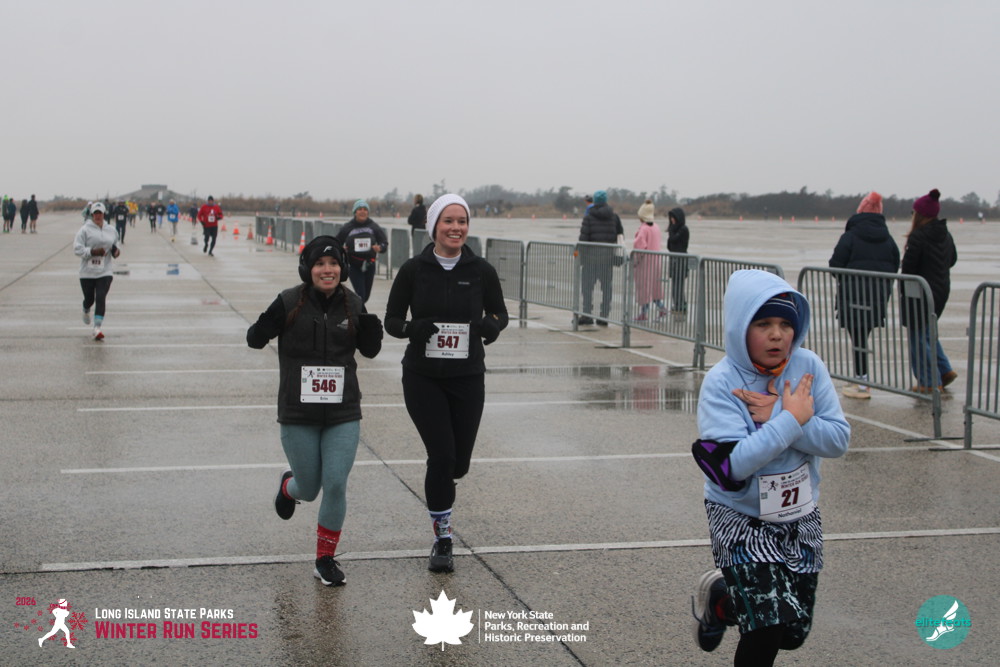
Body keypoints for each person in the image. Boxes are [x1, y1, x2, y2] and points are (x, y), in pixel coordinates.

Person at [690, 269, 850, 666]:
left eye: (785, 325)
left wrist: (780, 413)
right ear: (740, 327)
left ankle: (724, 600)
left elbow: (837, 440)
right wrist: (791, 419)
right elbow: (734, 465)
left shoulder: (808, 366)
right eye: (763, 325)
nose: (777, 335)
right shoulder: (722, 382)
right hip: (740, 516)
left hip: (799, 515)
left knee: (792, 633)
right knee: (767, 628)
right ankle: (742, 596)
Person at [246, 236, 383, 586]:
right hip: (298, 413)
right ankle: (288, 487)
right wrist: (262, 328)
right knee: (309, 489)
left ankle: (325, 559)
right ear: (307, 268)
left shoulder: (353, 303)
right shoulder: (289, 301)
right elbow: (254, 339)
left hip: (342, 412)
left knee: (335, 483)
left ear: (343, 268)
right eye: (320, 264)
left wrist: (373, 334)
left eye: (334, 263)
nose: (327, 270)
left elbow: (369, 351)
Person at [384, 193, 508, 573]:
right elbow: (392, 321)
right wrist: (412, 329)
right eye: (448, 221)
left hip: (467, 377)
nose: (456, 228)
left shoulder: (481, 270)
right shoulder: (413, 270)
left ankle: (445, 487)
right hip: (423, 378)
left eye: (462, 221)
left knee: (458, 464)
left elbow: (500, 313)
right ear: (434, 226)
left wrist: (492, 327)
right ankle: (443, 539)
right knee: (441, 457)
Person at [828, 191, 900, 399]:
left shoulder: (850, 236)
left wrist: (847, 280)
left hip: (852, 296)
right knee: (861, 337)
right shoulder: (887, 238)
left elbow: (835, 264)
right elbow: (895, 262)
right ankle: (861, 377)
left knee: (858, 338)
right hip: (877, 296)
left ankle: (862, 380)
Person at [900, 188, 958, 393]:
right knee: (928, 332)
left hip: (920, 291)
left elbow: (909, 267)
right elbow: (953, 259)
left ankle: (929, 381)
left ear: (918, 215)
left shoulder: (919, 236)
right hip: (941, 289)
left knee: (918, 336)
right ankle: (944, 370)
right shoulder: (945, 234)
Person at [73, 202, 121, 341]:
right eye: (95, 213)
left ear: (104, 214)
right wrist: (93, 252)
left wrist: (116, 252)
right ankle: (86, 308)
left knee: (101, 297)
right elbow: (77, 249)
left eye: (100, 213)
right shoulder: (84, 230)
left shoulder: (111, 230)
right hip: (87, 272)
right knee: (90, 299)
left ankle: (97, 328)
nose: (98, 216)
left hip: (105, 271)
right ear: (92, 214)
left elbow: (116, 246)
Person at [577, 190, 623, 326]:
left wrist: (579, 257)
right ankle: (604, 316)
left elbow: (583, 240)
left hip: (590, 260)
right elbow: (620, 236)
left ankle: (587, 314)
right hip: (607, 259)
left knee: (587, 289)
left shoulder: (588, 217)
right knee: (606, 289)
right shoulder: (614, 217)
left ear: (595, 202)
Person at [334, 199, 389, 304]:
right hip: (353, 265)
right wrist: (341, 250)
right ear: (355, 212)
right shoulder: (348, 227)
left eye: (365, 209)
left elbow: (384, 243)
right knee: (361, 295)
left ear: (368, 212)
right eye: (359, 209)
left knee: (365, 296)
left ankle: (353, 308)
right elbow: (336, 243)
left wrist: (380, 248)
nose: (362, 211)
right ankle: (356, 313)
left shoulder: (373, 226)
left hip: (369, 264)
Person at [631, 199, 665, 321]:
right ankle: (661, 308)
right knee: (654, 288)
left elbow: (639, 246)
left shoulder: (644, 229)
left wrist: (634, 261)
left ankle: (645, 313)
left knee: (644, 288)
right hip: (656, 261)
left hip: (645, 263)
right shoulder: (656, 227)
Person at [667, 207, 690, 314]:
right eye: (671, 217)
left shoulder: (683, 229)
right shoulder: (674, 229)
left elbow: (673, 240)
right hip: (674, 259)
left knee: (679, 284)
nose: (672, 219)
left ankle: (681, 304)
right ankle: (677, 304)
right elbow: (669, 246)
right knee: (675, 284)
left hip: (681, 260)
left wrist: (671, 231)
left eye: (674, 217)